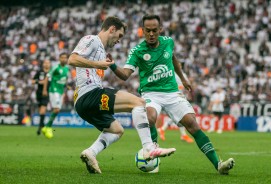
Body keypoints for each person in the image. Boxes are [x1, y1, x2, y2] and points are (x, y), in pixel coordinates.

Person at [109, 14, 235, 175]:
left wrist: (183, 78)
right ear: (143, 31)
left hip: (172, 93)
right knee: (150, 115)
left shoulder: (168, 42)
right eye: (148, 31)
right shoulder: (138, 51)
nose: (152, 34)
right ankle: (153, 154)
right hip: (151, 93)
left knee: (192, 124)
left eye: (155, 30)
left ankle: (219, 165)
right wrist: (112, 65)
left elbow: (173, 59)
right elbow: (125, 74)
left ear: (160, 29)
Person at [67, 16, 176, 174]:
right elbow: (72, 58)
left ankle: (91, 153)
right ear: (112, 29)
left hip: (84, 104)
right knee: (138, 103)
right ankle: (148, 148)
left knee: (117, 130)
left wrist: (105, 64)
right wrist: (99, 64)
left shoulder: (102, 50)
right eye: (119, 36)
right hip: (89, 94)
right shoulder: (91, 40)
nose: (119, 41)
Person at [158, 72, 194, 143]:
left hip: (177, 96)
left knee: (181, 115)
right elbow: (186, 83)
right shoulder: (176, 73)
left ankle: (182, 135)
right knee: (182, 114)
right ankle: (163, 128)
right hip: (176, 96)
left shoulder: (173, 72)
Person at [42, 53, 69, 139]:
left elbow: (64, 79)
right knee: (56, 109)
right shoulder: (55, 67)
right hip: (54, 91)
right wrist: (44, 90)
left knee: (57, 109)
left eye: (65, 58)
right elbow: (47, 77)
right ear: (59, 58)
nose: (64, 59)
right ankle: (48, 127)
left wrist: (66, 87)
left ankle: (46, 127)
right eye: (62, 58)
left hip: (61, 92)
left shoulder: (66, 68)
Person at [32, 59, 51, 135]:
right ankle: (42, 126)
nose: (46, 64)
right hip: (38, 93)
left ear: (49, 64)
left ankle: (39, 128)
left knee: (43, 111)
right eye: (45, 63)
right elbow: (32, 81)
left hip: (47, 93)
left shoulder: (51, 72)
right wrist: (39, 82)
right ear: (43, 64)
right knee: (41, 112)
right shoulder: (39, 72)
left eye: (48, 63)